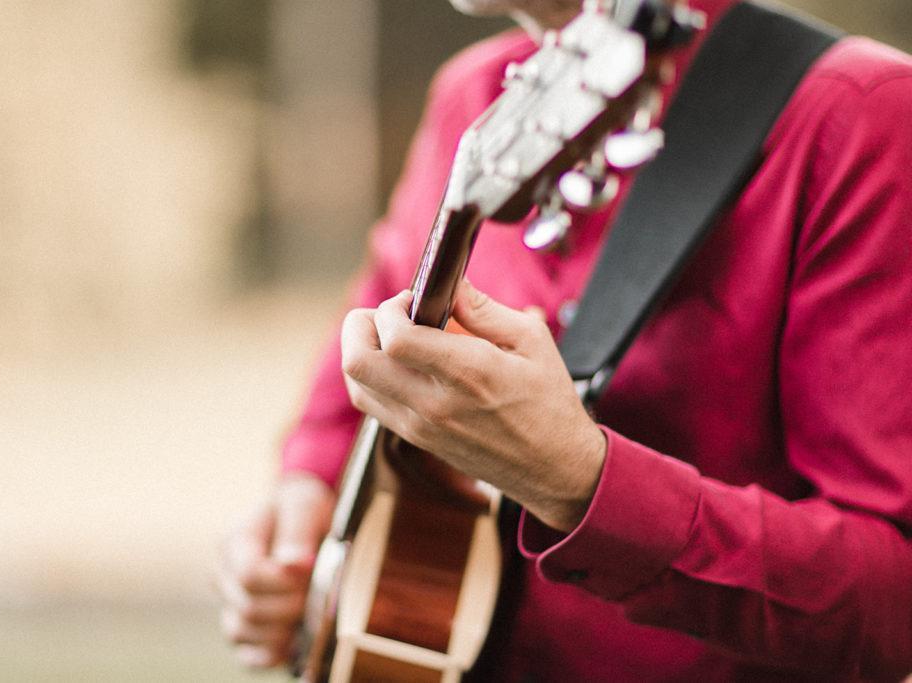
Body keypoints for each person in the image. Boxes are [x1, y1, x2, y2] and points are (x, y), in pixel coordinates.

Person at [216, 0, 912, 679]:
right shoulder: (469, 96)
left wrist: (581, 482)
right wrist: (302, 513)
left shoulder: (861, 114)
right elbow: (363, 359)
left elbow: (894, 601)